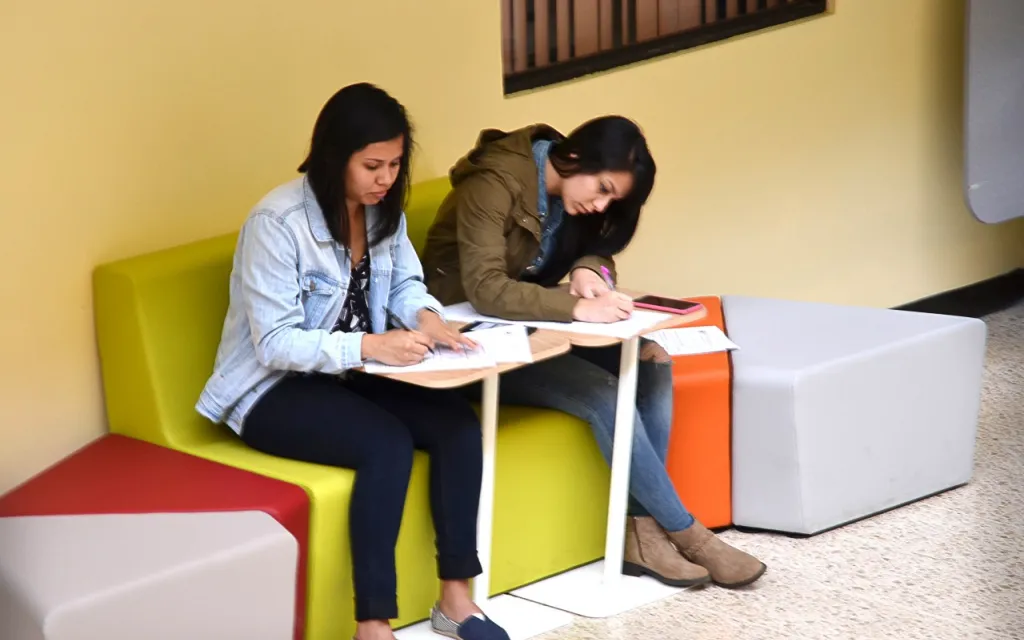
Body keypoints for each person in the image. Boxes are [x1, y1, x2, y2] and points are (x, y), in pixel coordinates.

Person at [196, 83, 510, 640]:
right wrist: (371, 346)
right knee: (384, 443)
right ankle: (372, 626)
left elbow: (407, 283)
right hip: (271, 389)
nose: (385, 179)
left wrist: (427, 317)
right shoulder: (277, 223)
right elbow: (275, 342)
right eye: (371, 165)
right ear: (332, 156)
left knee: (458, 426)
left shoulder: (382, 212)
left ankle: (456, 602)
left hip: (351, 374)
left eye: (393, 164)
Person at [421, 117, 767, 590]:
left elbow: (599, 248)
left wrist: (588, 269)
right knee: (603, 394)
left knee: (652, 357)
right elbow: (484, 289)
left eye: (611, 200)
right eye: (602, 189)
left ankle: (640, 534)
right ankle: (689, 534)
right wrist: (577, 306)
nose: (600, 204)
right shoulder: (495, 182)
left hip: (531, 325)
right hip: (471, 338)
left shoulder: (570, 190)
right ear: (577, 157)